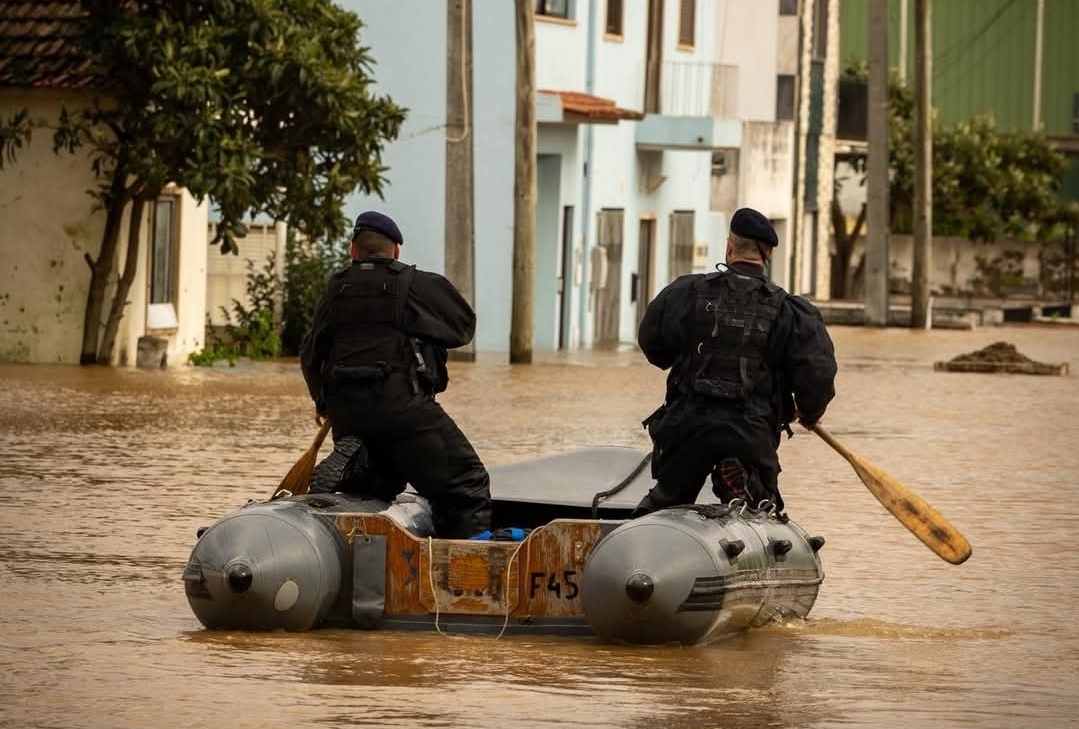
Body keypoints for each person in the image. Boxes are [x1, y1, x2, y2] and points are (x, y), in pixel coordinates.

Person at [631, 207, 837, 518]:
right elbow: (817, 374)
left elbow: (653, 346)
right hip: (751, 431)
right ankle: (742, 484)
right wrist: (808, 411)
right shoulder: (791, 311)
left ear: (729, 247)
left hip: (688, 427)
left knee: (666, 499)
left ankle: (653, 522)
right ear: (768, 254)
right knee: (762, 511)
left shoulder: (684, 293)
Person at [299, 211, 492, 539]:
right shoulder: (416, 284)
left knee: (383, 481)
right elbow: (463, 328)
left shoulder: (335, 289)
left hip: (346, 415)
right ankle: (467, 560)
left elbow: (310, 354)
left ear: (353, 250)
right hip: (401, 409)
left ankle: (357, 472)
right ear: (397, 252)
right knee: (467, 484)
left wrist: (322, 403)